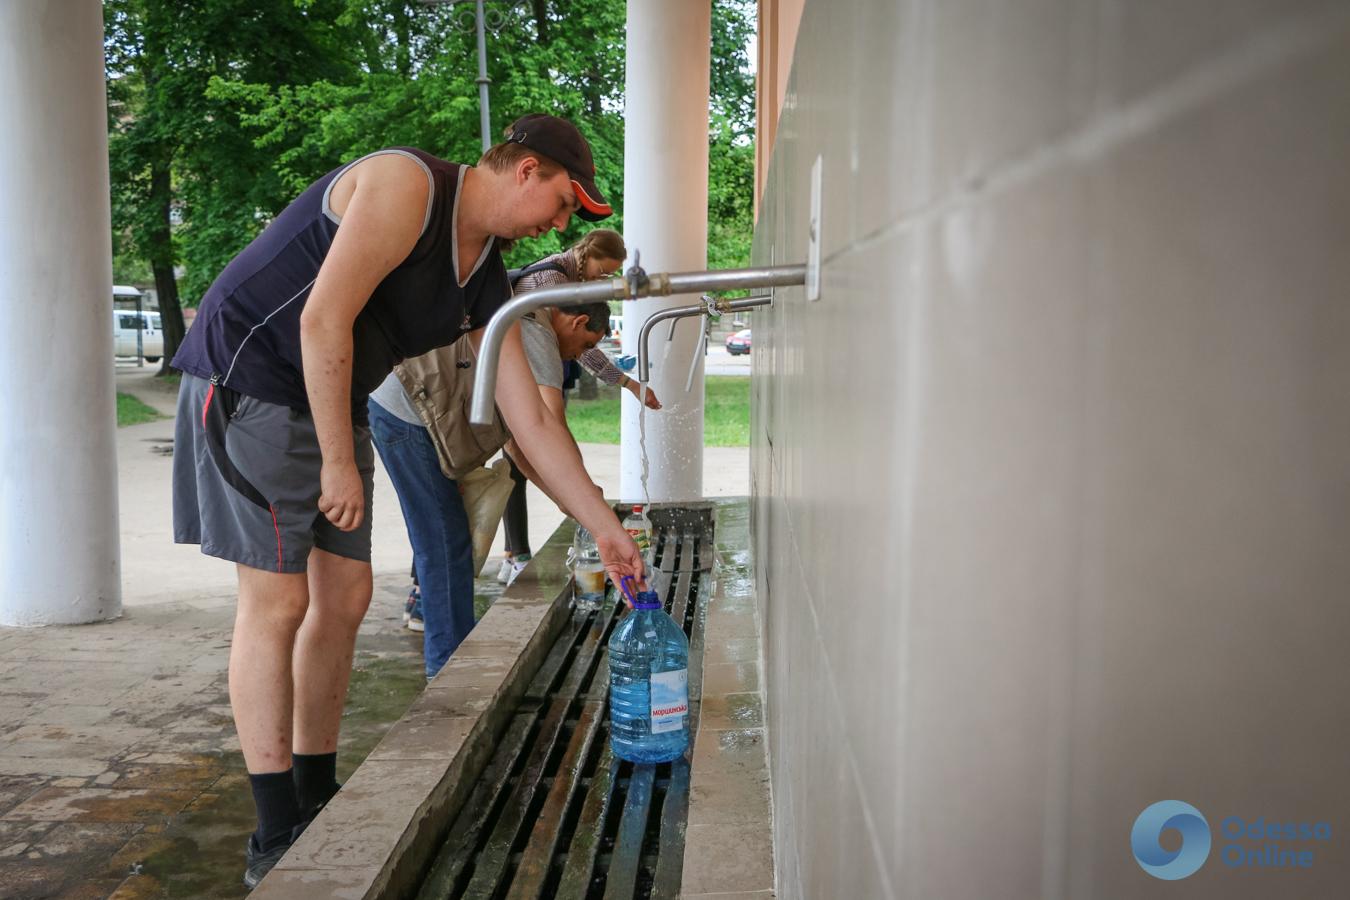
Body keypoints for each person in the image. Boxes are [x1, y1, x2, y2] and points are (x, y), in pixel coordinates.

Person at [169, 113, 645, 889]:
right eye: (565, 200)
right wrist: (337, 461)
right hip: (248, 381)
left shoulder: (485, 270)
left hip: (327, 396)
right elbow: (322, 318)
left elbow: (526, 418)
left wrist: (604, 526)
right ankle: (272, 831)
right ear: (525, 170)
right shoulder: (406, 185)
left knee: (347, 595)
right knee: (277, 602)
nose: (563, 222)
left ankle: (315, 791)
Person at [498, 230, 662, 585]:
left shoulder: (570, 296)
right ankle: (513, 555)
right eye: (605, 272)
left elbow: (515, 442)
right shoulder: (545, 303)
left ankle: (511, 555)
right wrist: (586, 498)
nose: (603, 280)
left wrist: (572, 501)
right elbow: (545, 424)